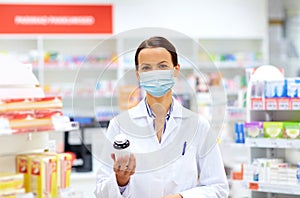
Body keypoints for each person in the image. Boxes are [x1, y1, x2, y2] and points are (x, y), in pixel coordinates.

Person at [94, 36, 229, 198]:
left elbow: (218, 188)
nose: (155, 74)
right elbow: (101, 191)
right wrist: (120, 180)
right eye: (146, 68)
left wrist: (181, 197)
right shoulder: (119, 124)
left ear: (176, 70)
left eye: (163, 66)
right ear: (138, 75)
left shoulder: (198, 125)